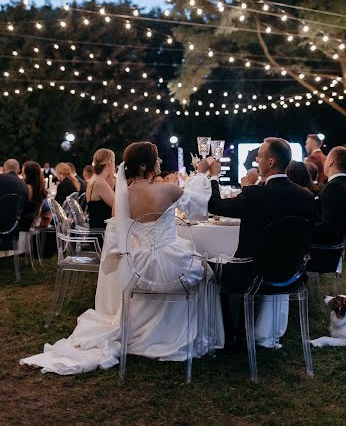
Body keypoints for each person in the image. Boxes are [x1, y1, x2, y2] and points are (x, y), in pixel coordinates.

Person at [21, 141, 223, 375]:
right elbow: (200, 206)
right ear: (145, 165)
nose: (160, 162)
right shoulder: (166, 190)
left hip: (138, 270)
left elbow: (116, 239)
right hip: (170, 267)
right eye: (156, 158)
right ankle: (197, 335)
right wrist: (203, 173)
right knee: (206, 270)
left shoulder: (121, 199)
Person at [199, 137, 317, 348]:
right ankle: (243, 331)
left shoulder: (255, 194)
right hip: (293, 274)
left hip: (252, 273)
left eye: (259, 155)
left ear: (270, 162)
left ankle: (230, 336)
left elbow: (216, 207)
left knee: (210, 267)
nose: (256, 159)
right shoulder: (306, 196)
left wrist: (214, 177)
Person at [86, 149, 115, 230]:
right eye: (114, 162)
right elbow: (118, 207)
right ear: (110, 162)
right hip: (101, 233)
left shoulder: (94, 179)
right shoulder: (100, 183)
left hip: (98, 228)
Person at [19, 161, 48, 232]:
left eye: (23, 172)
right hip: (32, 222)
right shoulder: (40, 188)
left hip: (22, 225)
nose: (21, 174)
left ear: (28, 174)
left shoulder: (26, 188)